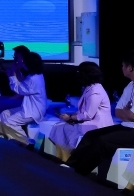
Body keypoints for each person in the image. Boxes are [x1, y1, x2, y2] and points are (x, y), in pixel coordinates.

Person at [66, 50, 134, 183]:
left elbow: (131, 115)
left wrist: (127, 112)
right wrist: (128, 113)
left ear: (130, 67)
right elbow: (118, 111)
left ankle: (79, 173)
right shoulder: (130, 86)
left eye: (123, 65)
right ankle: (70, 166)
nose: (121, 68)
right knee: (91, 135)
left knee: (103, 141)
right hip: (126, 125)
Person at [48, 62, 113, 162]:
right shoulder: (90, 88)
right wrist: (71, 116)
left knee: (62, 129)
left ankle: (67, 159)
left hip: (98, 126)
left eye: (79, 72)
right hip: (91, 123)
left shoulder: (95, 91)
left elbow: (88, 115)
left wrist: (70, 117)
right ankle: (61, 158)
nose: (77, 74)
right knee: (58, 127)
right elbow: (84, 112)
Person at [0, 52, 47, 145]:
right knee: (4, 114)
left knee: (8, 123)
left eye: (24, 62)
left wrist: (12, 75)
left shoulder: (33, 79)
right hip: (27, 108)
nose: (23, 64)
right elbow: (22, 83)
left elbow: (18, 89)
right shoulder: (35, 75)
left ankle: (27, 143)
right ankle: (2, 139)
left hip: (33, 112)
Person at [0, 45, 30, 127]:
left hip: (25, 100)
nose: (15, 59)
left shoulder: (27, 71)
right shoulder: (17, 68)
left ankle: (2, 128)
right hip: (17, 96)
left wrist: (11, 99)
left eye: (16, 57)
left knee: (2, 103)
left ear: (22, 58)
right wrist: (11, 73)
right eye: (14, 57)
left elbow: (24, 92)